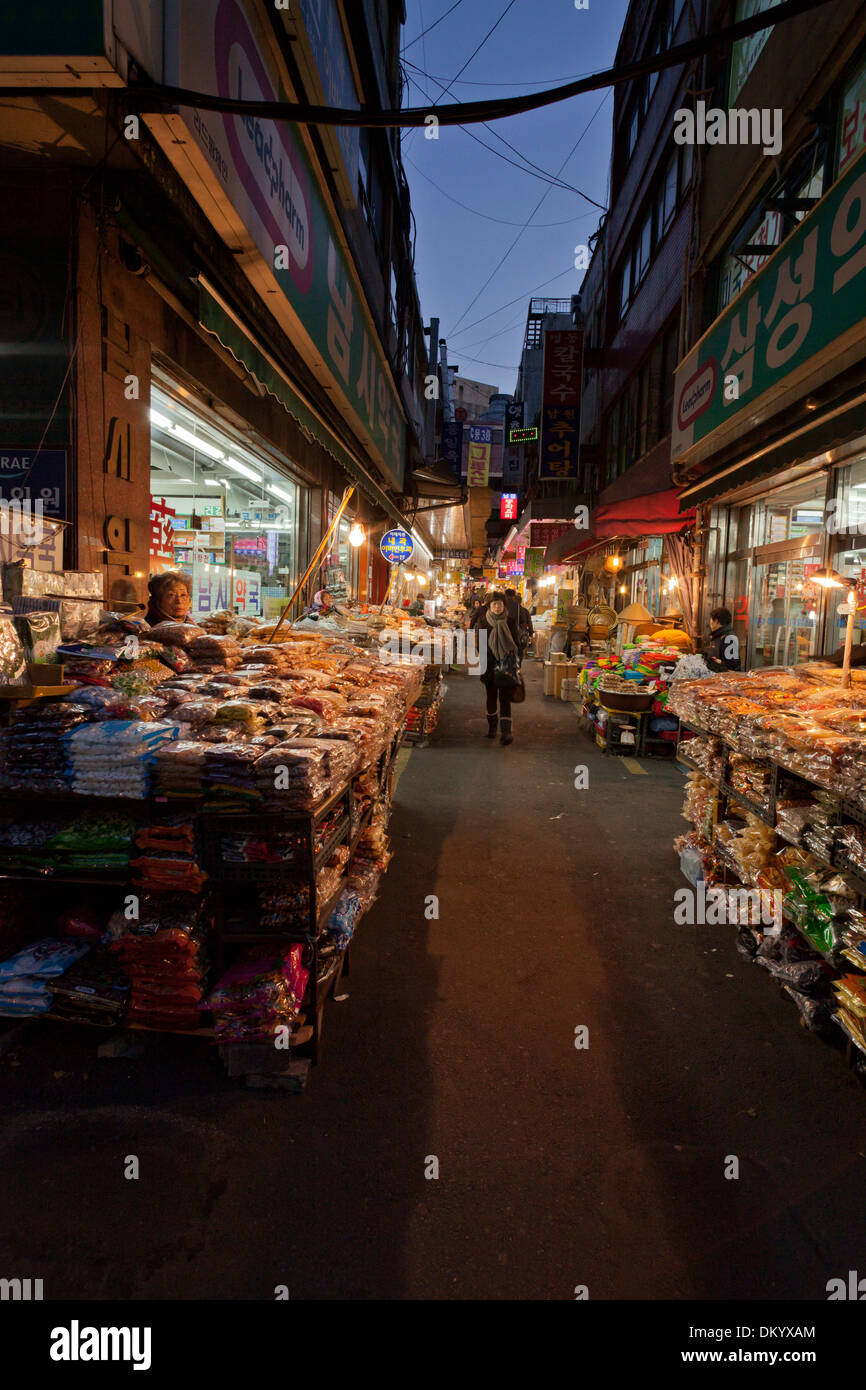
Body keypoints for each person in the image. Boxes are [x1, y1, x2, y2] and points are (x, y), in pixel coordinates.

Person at [476, 591, 521, 745]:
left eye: (500, 604)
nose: (497, 607)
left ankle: (506, 732)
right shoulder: (483, 622)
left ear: (504, 605)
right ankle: (492, 728)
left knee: (505, 698)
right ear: (489, 605)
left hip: (506, 666)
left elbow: (517, 643)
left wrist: (514, 661)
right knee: (491, 697)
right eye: (494, 604)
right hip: (489, 666)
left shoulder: (510, 621)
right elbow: (479, 646)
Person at [701, 606, 741, 672]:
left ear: (716, 621)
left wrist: (716, 662)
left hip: (726, 680)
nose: (710, 623)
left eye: (711, 620)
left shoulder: (729, 638)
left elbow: (732, 667)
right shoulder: (718, 636)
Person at [504, 587, 533, 665]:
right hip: (517, 635)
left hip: (504, 634)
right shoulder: (521, 608)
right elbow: (527, 622)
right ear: (514, 596)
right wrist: (530, 633)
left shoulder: (502, 606)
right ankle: (517, 667)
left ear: (505, 595)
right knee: (518, 652)